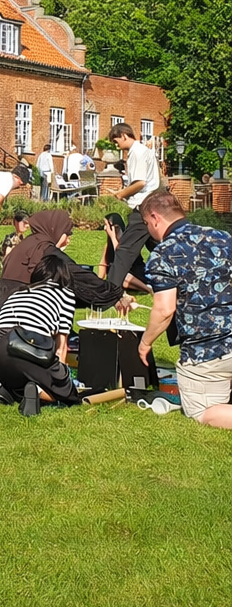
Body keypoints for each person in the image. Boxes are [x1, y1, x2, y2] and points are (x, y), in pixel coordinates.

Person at [0, 209, 132, 371]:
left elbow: (62, 288)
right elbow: (77, 276)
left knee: (30, 366)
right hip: (12, 320)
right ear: (55, 229)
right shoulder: (43, 249)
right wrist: (117, 295)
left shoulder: (31, 244)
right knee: (32, 370)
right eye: (67, 233)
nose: (68, 239)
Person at [138, 192, 232, 428]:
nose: (148, 229)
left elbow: (164, 309)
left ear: (154, 218)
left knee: (201, 412)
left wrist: (145, 343)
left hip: (206, 353)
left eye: (146, 223)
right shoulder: (223, 237)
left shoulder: (163, 254)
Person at [0, 254, 83, 408]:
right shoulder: (66, 294)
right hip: (27, 347)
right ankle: (34, 392)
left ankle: (11, 389)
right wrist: (61, 378)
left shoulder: (19, 292)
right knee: (69, 395)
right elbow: (61, 346)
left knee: (25, 372)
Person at [105, 123, 161, 289]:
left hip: (142, 208)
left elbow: (140, 182)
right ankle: (149, 280)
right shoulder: (144, 151)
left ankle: (110, 290)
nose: (116, 146)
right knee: (158, 247)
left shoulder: (137, 153)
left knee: (125, 251)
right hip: (151, 205)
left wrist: (121, 193)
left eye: (116, 141)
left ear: (124, 135)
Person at [96, 212, 149, 293]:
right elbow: (103, 264)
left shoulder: (128, 243)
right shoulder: (108, 245)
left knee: (124, 277)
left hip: (135, 274)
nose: (105, 228)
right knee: (121, 278)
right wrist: (98, 283)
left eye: (106, 225)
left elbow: (121, 257)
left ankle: (148, 289)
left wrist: (113, 237)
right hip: (122, 277)